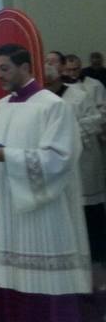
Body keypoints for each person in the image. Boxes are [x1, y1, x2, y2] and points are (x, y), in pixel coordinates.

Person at [0, 45, 92, 320]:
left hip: (46, 208)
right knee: (13, 278)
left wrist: (5, 155)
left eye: (5, 68)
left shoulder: (53, 106)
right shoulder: (2, 107)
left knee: (47, 279)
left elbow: (60, 157)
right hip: (11, 205)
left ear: (25, 67)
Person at [46, 64, 106, 264]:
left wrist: (68, 133)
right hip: (56, 166)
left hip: (83, 160)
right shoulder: (41, 100)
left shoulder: (78, 95)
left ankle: (97, 257)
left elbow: (97, 121)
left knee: (89, 212)